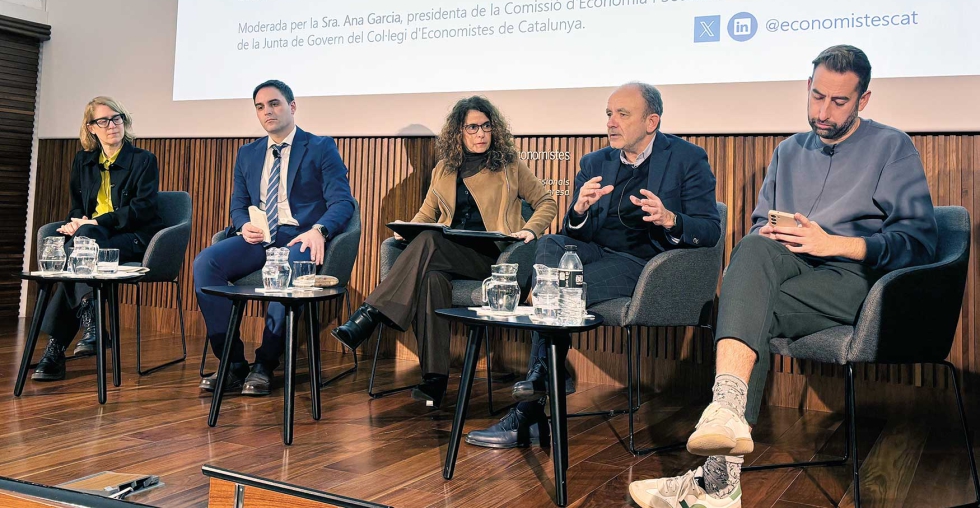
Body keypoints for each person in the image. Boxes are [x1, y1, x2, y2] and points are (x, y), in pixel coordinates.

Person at [628, 45, 938, 508]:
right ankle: (726, 427)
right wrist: (774, 233)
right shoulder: (789, 150)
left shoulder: (892, 146)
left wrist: (834, 244)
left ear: (863, 100)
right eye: (816, 97)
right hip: (788, 267)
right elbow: (758, 226)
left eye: (838, 102)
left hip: (854, 279)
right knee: (753, 248)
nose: (823, 111)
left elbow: (919, 242)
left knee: (744, 309)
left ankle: (718, 478)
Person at [466, 82, 722, 448]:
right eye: (608, 114)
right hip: (594, 253)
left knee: (555, 289)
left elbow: (710, 229)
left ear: (652, 121)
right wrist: (579, 211)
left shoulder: (686, 158)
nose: (611, 122)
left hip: (643, 265)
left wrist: (670, 219)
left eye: (622, 114)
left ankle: (534, 400)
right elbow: (574, 233)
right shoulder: (594, 162)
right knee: (551, 244)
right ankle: (548, 375)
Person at [331, 95, 558, 408]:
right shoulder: (444, 169)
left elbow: (547, 201)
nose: (481, 134)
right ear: (459, 133)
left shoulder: (509, 166)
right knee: (431, 279)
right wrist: (406, 229)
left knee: (428, 242)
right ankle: (434, 380)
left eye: (486, 126)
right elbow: (427, 213)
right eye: (472, 128)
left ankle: (370, 313)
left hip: (494, 258)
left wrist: (530, 230)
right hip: (448, 255)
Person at [194, 80, 355, 396]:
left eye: (274, 103)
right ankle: (232, 362)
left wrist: (318, 230)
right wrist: (243, 226)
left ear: (292, 107)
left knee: (288, 273)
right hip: (260, 237)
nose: (267, 111)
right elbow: (238, 205)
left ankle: (265, 364)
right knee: (205, 262)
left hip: (298, 238)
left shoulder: (320, 146)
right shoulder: (248, 153)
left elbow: (343, 202)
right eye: (260, 106)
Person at [32, 96, 163, 381]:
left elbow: (143, 209)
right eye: (103, 121)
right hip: (92, 237)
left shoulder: (143, 160)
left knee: (79, 248)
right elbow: (77, 205)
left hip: (132, 238)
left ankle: (58, 347)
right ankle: (90, 325)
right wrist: (75, 222)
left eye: (116, 118)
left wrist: (93, 223)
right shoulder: (83, 161)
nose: (112, 125)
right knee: (81, 243)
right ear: (91, 128)